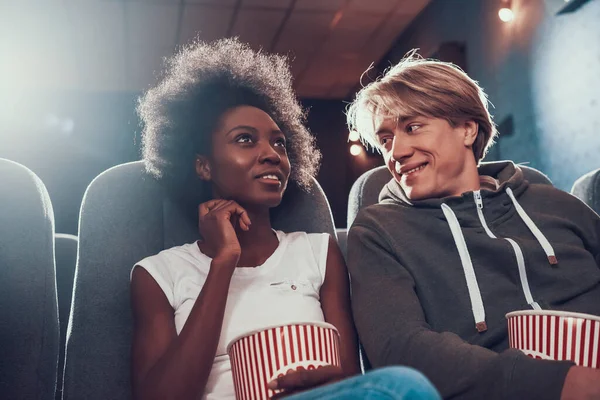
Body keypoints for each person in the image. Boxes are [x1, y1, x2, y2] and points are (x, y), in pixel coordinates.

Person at [130, 38, 441, 400]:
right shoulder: (157, 275)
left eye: (279, 143)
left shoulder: (318, 253)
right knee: (407, 388)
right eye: (245, 140)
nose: (271, 155)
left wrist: (322, 384)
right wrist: (223, 262)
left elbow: (352, 384)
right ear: (203, 165)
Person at [345, 51, 600, 400]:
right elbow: (401, 348)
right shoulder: (378, 230)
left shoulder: (557, 205)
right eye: (386, 139)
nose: (396, 151)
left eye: (412, 127)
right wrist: (557, 383)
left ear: (466, 129)